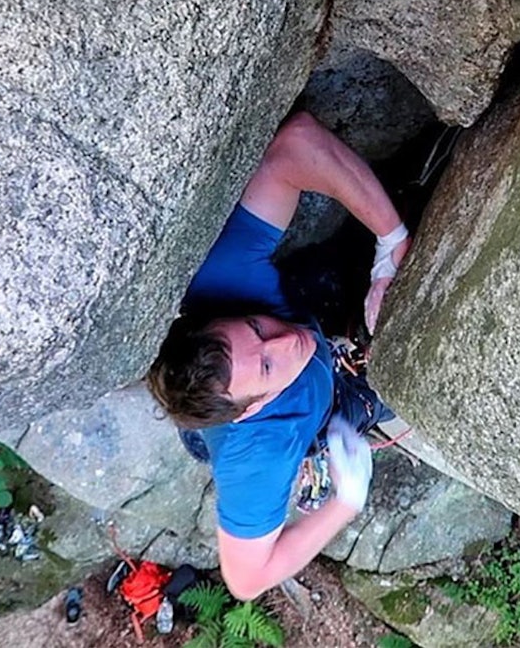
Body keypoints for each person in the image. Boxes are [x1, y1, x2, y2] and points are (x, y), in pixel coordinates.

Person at [146, 111, 411, 600]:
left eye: (256, 327)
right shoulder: (259, 455)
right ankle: (308, 454)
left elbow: (295, 143)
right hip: (309, 418)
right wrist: (344, 503)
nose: (285, 341)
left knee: (330, 275)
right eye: (268, 365)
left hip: (279, 384)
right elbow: (246, 580)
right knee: (407, 382)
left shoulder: (220, 288)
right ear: (252, 408)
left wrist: (392, 242)